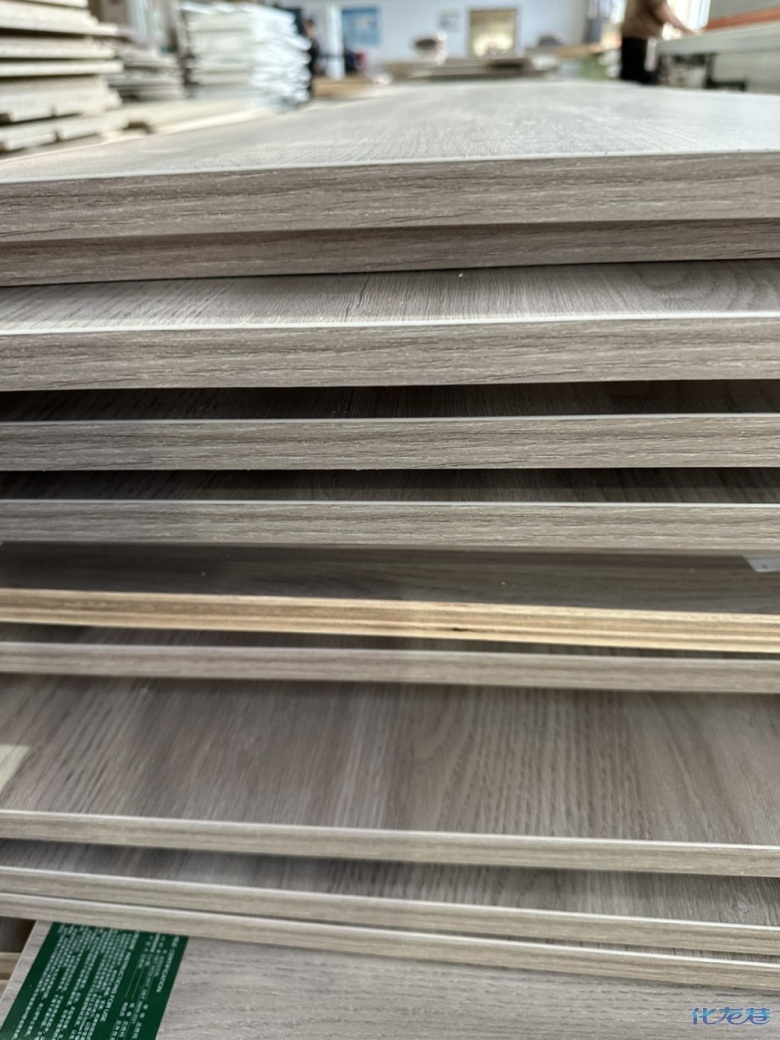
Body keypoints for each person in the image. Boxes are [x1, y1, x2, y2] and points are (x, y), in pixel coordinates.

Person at [620, 0, 698, 84]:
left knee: (629, 80)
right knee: (643, 81)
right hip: (643, 39)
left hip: (632, 37)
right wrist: (688, 31)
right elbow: (663, 12)